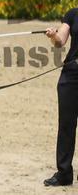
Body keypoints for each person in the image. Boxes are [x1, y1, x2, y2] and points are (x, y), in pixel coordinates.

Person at [44, 13, 78, 186]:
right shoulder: (73, 14)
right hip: (71, 73)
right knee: (66, 124)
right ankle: (64, 173)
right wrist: (53, 36)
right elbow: (60, 42)